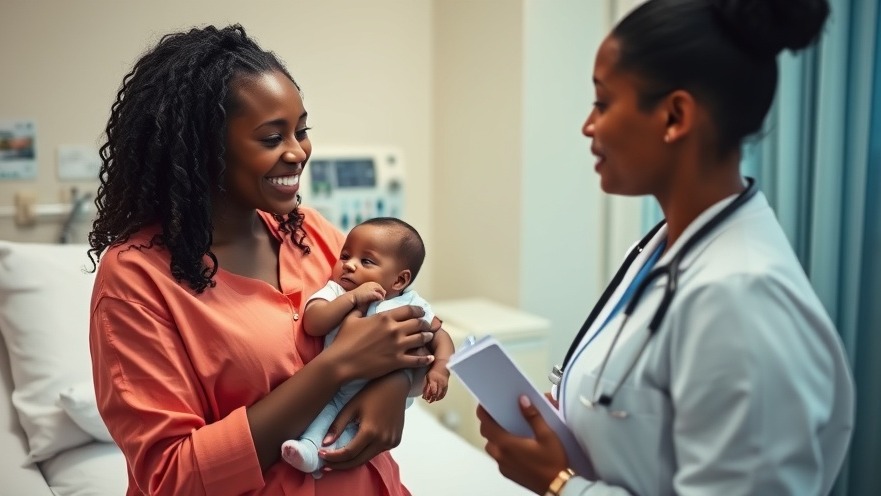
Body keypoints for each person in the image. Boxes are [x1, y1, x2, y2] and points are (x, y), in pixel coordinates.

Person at [477, 1, 855, 495]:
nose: (588, 126)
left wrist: (558, 482)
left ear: (675, 116)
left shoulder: (742, 297)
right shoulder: (663, 247)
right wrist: (571, 422)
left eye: (604, 102)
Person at [87, 24, 435, 496]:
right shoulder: (136, 277)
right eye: (272, 138)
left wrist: (393, 386)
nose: (298, 152)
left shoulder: (311, 233)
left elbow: (406, 316)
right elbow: (170, 477)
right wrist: (335, 368)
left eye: (301, 131)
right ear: (204, 148)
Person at [281, 217, 454, 476]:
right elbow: (313, 323)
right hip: (339, 384)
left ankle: (324, 458)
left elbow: (441, 337)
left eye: (366, 261)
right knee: (327, 412)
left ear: (399, 280)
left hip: (379, 393)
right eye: (345, 256)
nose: (349, 265)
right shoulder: (337, 291)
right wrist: (352, 298)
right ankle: (309, 449)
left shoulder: (413, 303)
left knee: (357, 427)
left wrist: (441, 368)